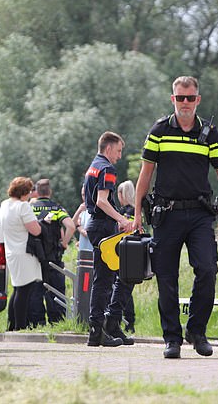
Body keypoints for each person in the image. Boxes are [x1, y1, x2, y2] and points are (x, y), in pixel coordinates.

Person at [133, 76, 218, 359]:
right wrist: (137, 212)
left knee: (207, 270)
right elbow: (146, 173)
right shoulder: (160, 131)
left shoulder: (210, 133)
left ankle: (197, 332)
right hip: (166, 215)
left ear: (198, 100)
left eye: (190, 98)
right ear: (173, 99)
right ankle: (172, 339)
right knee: (166, 277)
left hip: (200, 215)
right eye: (180, 98)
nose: (185, 103)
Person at [84, 131, 135, 347]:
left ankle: (109, 325)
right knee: (104, 281)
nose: (119, 156)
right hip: (104, 226)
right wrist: (122, 219)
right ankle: (96, 332)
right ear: (108, 149)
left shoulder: (93, 167)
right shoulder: (107, 168)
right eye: (119, 151)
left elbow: (85, 194)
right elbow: (102, 201)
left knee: (108, 278)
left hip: (95, 224)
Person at [28, 179, 75, 326]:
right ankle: (57, 322)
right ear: (50, 192)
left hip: (33, 256)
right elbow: (71, 226)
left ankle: (37, 322)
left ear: (37, 191)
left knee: (35, 289)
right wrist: (64, 244)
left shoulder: (29, 207)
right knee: (56, 288)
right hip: (53, 255)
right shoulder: (56, 208)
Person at [0, 177, 43, 331]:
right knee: (24, 290)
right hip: (24, 252)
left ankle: (11, 325)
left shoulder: (4, 204)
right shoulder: (23, 206)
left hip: (11, 250)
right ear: (24, 192)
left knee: (17, 288)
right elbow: (35, 230)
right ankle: (20, 326)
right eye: (29, 191)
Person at [117, 180, 136, 333]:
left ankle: (128, 322)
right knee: (125, 288)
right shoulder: (135, 210)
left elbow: (125, 228)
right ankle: (127, 321)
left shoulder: (129, 212)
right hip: (130, 252)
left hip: (126, 253)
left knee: (123, 289)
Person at [71, 185, 93, 254]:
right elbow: (72, 224)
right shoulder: (82, 210)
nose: (84, 198)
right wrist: (78, 211)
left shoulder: (95, 209)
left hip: (92, 248)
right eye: (83, 195)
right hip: (83, 247)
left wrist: (81, 229)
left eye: (86, 194)